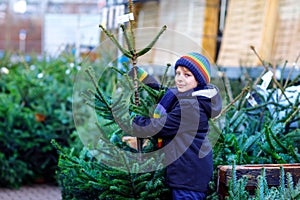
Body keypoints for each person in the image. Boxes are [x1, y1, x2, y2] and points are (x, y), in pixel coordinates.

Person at [130, 52, 222, 200]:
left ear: (199, 80)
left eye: (187, 75)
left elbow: (159, 127)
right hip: (186, 174)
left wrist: (133, 121)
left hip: (189, 178)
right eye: (178, 73)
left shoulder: (192, 107)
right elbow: (168, 93)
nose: (180, 78)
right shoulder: (191, 97)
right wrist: (146, 80)